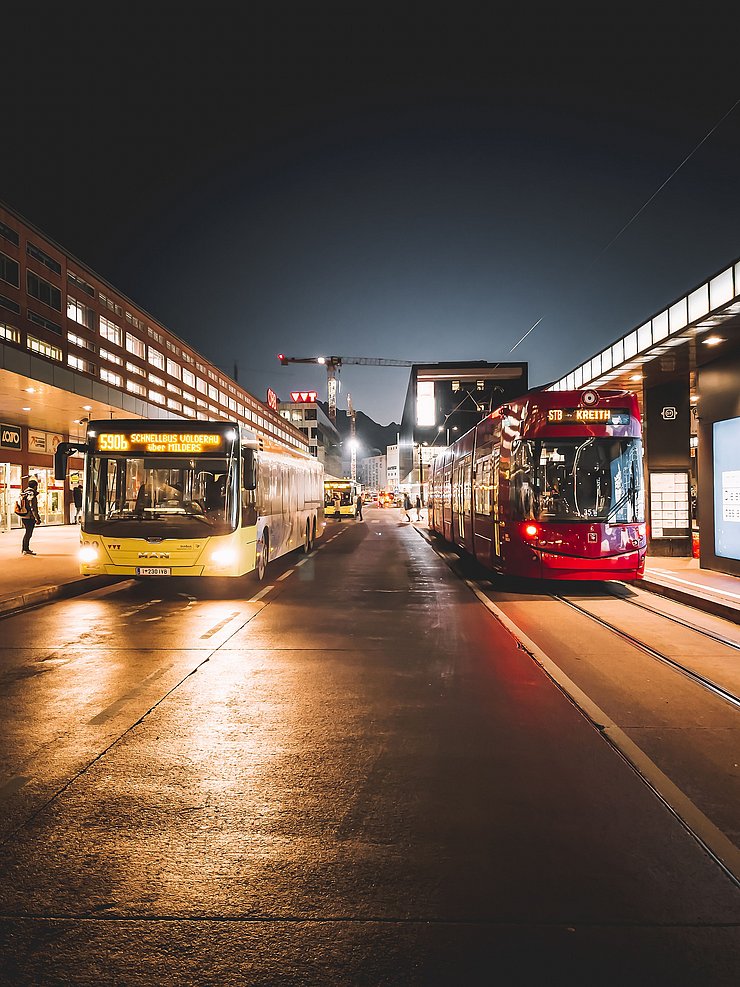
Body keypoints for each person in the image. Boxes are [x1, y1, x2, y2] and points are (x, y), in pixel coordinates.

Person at [19, 477, 42, 556]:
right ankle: (25, 549)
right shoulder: (32, 494)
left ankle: (25, 548)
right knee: (28, 533)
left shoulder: (24, 492)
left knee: (27, 532)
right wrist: (37, 518)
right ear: (35, 486)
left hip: (23, 515)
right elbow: (33, 508)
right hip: (29, 517)